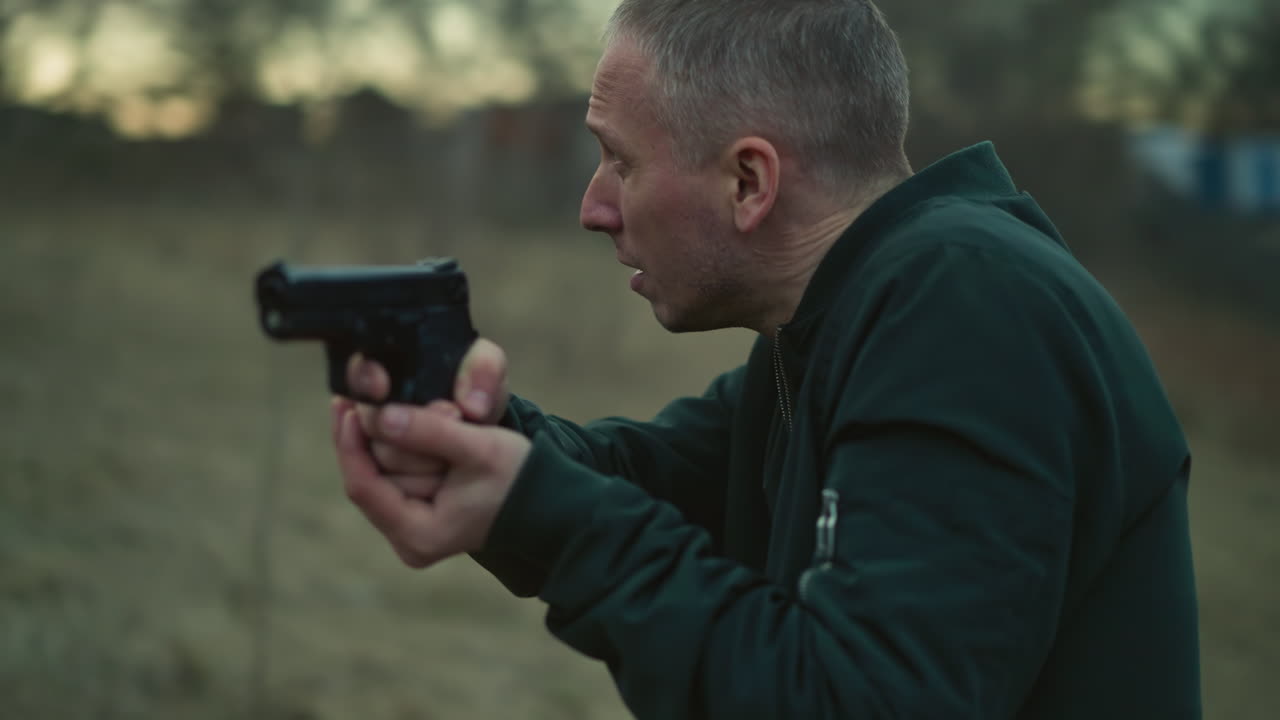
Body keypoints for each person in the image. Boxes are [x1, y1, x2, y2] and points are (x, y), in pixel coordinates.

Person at [330, 0, 1202, 717]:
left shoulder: (966, 307)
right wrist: (466, 423)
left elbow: (848, 700)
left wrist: (539, 509)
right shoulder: (845, 324)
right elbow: (641, 482)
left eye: (619, 161)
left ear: (750, 182)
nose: (593, 208)